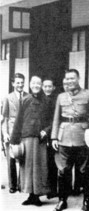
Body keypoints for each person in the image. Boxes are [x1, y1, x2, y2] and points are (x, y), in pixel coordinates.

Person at [51, 69, 89, 211]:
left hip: (82, 137)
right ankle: (62, 200)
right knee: (63, 171)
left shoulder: (88, 94)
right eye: (67, 79)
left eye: (72, 78)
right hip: (64, 137)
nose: (69, 81)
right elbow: (56, 118)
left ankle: (87, 201)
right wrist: (54, 137)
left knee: (84, 170)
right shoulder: (61, 96)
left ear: (78, 79)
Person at [10, 76, 51, 206]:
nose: (36, 85)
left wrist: (46, 130)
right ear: (30, 84)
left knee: (39, 168)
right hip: (26, 138)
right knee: (27, 168)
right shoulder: (25, 99)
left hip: (40, 140)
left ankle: (37, 196)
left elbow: (52, 120)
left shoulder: (47, 101)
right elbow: (19, 120)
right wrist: (14, 139)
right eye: (33, 83)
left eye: (38, 83)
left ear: (41, 85)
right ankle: (30, 195)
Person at [2, 73, 28, 193]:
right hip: (11, 131)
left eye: (22, 82)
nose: (20, 85)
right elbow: (4, 118)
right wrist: (5, 133)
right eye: (17, 82)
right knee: (11, 159)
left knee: (23, 157)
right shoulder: (7, 98)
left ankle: (22, 183)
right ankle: (13, 185)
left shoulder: (28, 96)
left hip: (24, 131)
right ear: (13, 84)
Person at [42, 78, 58, 198]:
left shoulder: (56, 100)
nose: (47, 88)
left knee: (52, 163)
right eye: (45, 86)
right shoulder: (40, 99)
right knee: (43, 163)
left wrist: (47, 131)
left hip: (52, 134)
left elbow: (55, 119)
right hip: (40, 134)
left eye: (49, 86)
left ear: (54, 88)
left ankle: (53, 190)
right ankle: (44, 188)